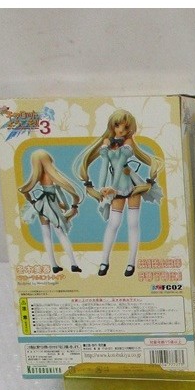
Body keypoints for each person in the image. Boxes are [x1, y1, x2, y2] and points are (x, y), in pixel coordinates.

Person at [80, 110, 160, 277]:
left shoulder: (128, 142)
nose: (121, 130)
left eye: (125, 127)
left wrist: (113, 187)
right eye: (117, 125)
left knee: (132, 224)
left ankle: (131, 262)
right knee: (113, 223)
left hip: (131, 186)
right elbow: (104, 165)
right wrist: (102, 187)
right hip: (114, 188)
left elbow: (120, 165)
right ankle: (104, 261)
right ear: (112, 126)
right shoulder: (107, 143)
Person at [21, 149, 83, 275]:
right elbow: (59, 193)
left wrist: (33, 202)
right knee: (61, 235)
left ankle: (54, 266)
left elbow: (25, 191)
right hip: (52, 207)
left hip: (42, 206)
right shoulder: (52, 174)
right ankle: (73, 264)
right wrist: (72, 204)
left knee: (46, 235)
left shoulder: (37, 176)